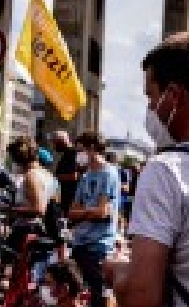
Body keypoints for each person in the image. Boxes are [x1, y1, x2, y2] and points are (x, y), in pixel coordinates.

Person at [109, 32, 189, 307]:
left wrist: (118, 272)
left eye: (151, 96)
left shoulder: (168, 170)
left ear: (175, 96)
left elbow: (141, 298)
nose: (150, 108)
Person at [68, 131, 120, 307]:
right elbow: (72, 212)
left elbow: (103, 213)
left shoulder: (109, 174)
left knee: (98, 293)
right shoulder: (85, 176)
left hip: (99, 243)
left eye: (80, 150)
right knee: (80, 292)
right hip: (80, 242)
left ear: (91, 149)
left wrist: (86, 212)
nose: (78, 155)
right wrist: (92, 211)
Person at [52, 130, 82, 211]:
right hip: (66, 199)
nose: (53, 146)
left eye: (55, 143)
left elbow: (75, 176)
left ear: (61, 142)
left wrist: (55, 177)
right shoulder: (67, 154)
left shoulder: (73, 154)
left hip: (72, 199)